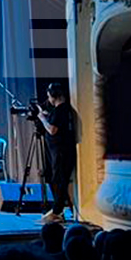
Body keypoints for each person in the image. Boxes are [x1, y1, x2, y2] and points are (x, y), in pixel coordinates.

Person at [36, 82, 76, 224]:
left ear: (54, 96)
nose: (49, 100)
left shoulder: (61, 110)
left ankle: (57, 212)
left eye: (49, 96)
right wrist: (47, 116)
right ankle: (57, 210)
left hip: (60, 152)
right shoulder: (60, 110)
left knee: (59, 181)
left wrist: (42, 118)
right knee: (55, 179)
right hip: (58, 152)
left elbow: (53, 130)